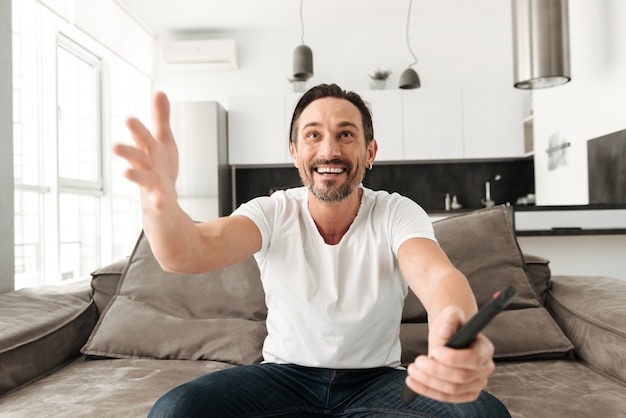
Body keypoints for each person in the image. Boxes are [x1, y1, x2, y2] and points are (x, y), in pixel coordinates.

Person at [114, 83, 511, 417]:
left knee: (483, 413)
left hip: (376, 380)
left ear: (369, 152)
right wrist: (157, 201)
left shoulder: (395, 212)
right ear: (295, 152)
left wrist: (452, 329)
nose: (329, 151)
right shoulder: (271, 212)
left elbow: (437, 275)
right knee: (175, 410)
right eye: (313, 135)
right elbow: (189, 251)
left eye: (346, 134)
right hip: (283, 377)